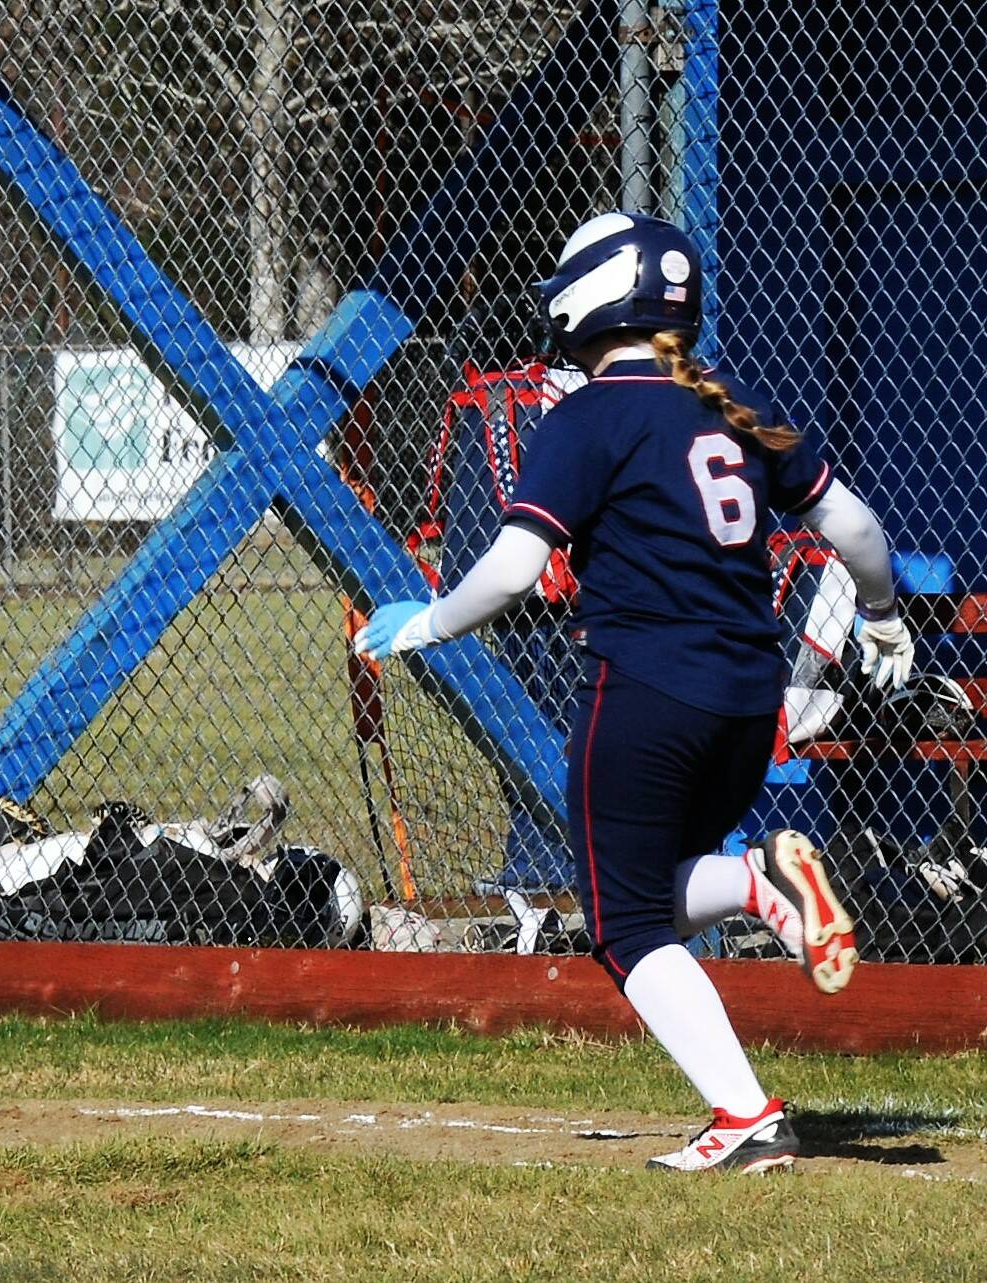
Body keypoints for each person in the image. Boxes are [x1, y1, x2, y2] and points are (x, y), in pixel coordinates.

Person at [355, 212, 913, 1173]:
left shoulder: (585, 418)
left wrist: (431, 621)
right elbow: (857, 526)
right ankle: (754, 881)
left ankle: (744, 1112)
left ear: (588, 301)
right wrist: (884, 614)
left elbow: (517, 567)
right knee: (644, 893)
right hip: (751, 700)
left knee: (620, 929)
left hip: (647, 692)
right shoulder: (734, 404)